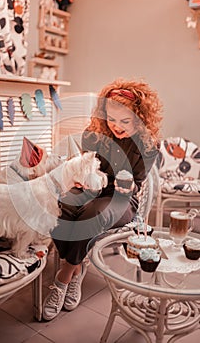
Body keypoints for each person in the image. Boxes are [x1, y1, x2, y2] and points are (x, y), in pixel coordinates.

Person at [43, 77, 163, 320]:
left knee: (92, 214)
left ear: (139, 118)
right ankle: (78, 268)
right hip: (91, 187)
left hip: (121, 199)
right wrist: (79, 178)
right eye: (111, 119)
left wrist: (125, 185)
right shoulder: (95, 133)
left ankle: (64, 276)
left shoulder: (147, 146)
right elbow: (86, 166)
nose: (116, 126)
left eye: (125, 121)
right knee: (59, 205)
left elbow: (136, 185)